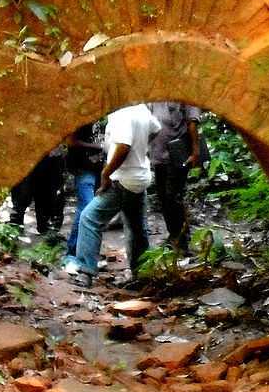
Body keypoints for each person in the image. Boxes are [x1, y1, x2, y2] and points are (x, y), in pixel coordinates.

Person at [73, 104, 161, 286]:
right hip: (140, 177)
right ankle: (142, 275)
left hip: (123, 178)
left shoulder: (122, 114)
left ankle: (85, 271)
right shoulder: (141, 108)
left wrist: (106, 173)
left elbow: (123, 146)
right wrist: (141, 148)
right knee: (136, 227)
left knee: (89, 218)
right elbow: (156, 129)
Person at [148, 102, 202, 253]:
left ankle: (182, 240)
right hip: (158, 156)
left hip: (177, 155)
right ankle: (174, 236)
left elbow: (192, 122)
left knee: (173, 196)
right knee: (163, 198)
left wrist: (195, 151)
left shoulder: (184, 97)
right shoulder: (155, 98)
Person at [64, 119, 105, 261]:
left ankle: (89, 251)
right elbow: (70, 141)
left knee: (94, 210)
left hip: (98, 168)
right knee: (86, 208)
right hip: (83, 168)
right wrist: (97, 146)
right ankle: (73, 252)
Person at [9, 145, 65, 235]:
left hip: (49, 160)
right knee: (20, 200)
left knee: (47, 201)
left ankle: (47, 232)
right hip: (25, 156)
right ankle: (14, 233)